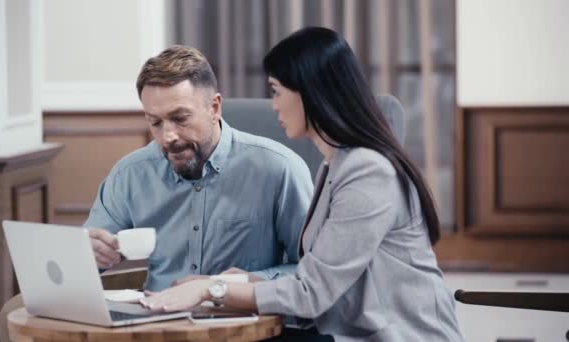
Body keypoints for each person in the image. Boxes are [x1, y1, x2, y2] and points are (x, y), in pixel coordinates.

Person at [140, 27, 464, 342]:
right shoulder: (337, 163)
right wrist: (232, 281)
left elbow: (312, 293)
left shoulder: (368, 171)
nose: (274, 105)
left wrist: (212, 289)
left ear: (310, 92)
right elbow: (320, 273)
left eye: (276, 91)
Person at [85, 45, 313, 291]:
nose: (168, 136)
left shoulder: (279, 169)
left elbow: (312, 272)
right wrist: (89, 253)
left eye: (180, 118)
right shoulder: (129, 174)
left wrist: (235, 284)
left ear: (214, 108)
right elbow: (83, 260)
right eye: (155, 122)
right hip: (159, 324)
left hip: (246, 325)